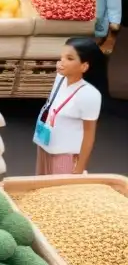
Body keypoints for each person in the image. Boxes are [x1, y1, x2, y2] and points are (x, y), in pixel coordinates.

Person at [34, 38, 104, 175]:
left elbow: (89, 135)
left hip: (64, 154)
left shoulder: (90, 94)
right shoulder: (60, 78)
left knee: (59, 193)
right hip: (44, 146)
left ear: (84, 66)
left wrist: (79, 168)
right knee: (41, 191)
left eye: (69, 58)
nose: (61, 62)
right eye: (61, 57)